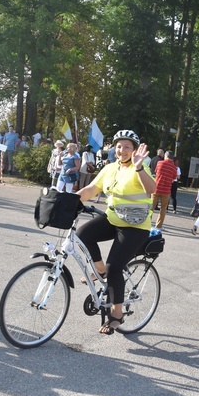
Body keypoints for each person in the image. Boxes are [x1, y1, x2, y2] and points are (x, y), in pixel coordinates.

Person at [75, 130, 155, 334]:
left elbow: (151, 188)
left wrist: (138, 168)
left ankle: (116, 315)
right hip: (113, 218)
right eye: (119, 146)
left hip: (135, 227)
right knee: (83, 233)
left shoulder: (141, 167)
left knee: (115, 268)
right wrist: (68, 200)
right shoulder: (110, 168)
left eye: (127, 147)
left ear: (135, 150)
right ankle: (99, 270)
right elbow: (92, 189)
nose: (122, 150)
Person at [152, 151, 178, 229]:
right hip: (166, 190)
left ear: (166, 156)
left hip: (156, 188)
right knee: (163, 209)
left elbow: (156, 172)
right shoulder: (174, 168)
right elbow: (174, 179)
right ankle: (158, 225)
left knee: (151, 207)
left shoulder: (160, 163)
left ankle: (147, 222)